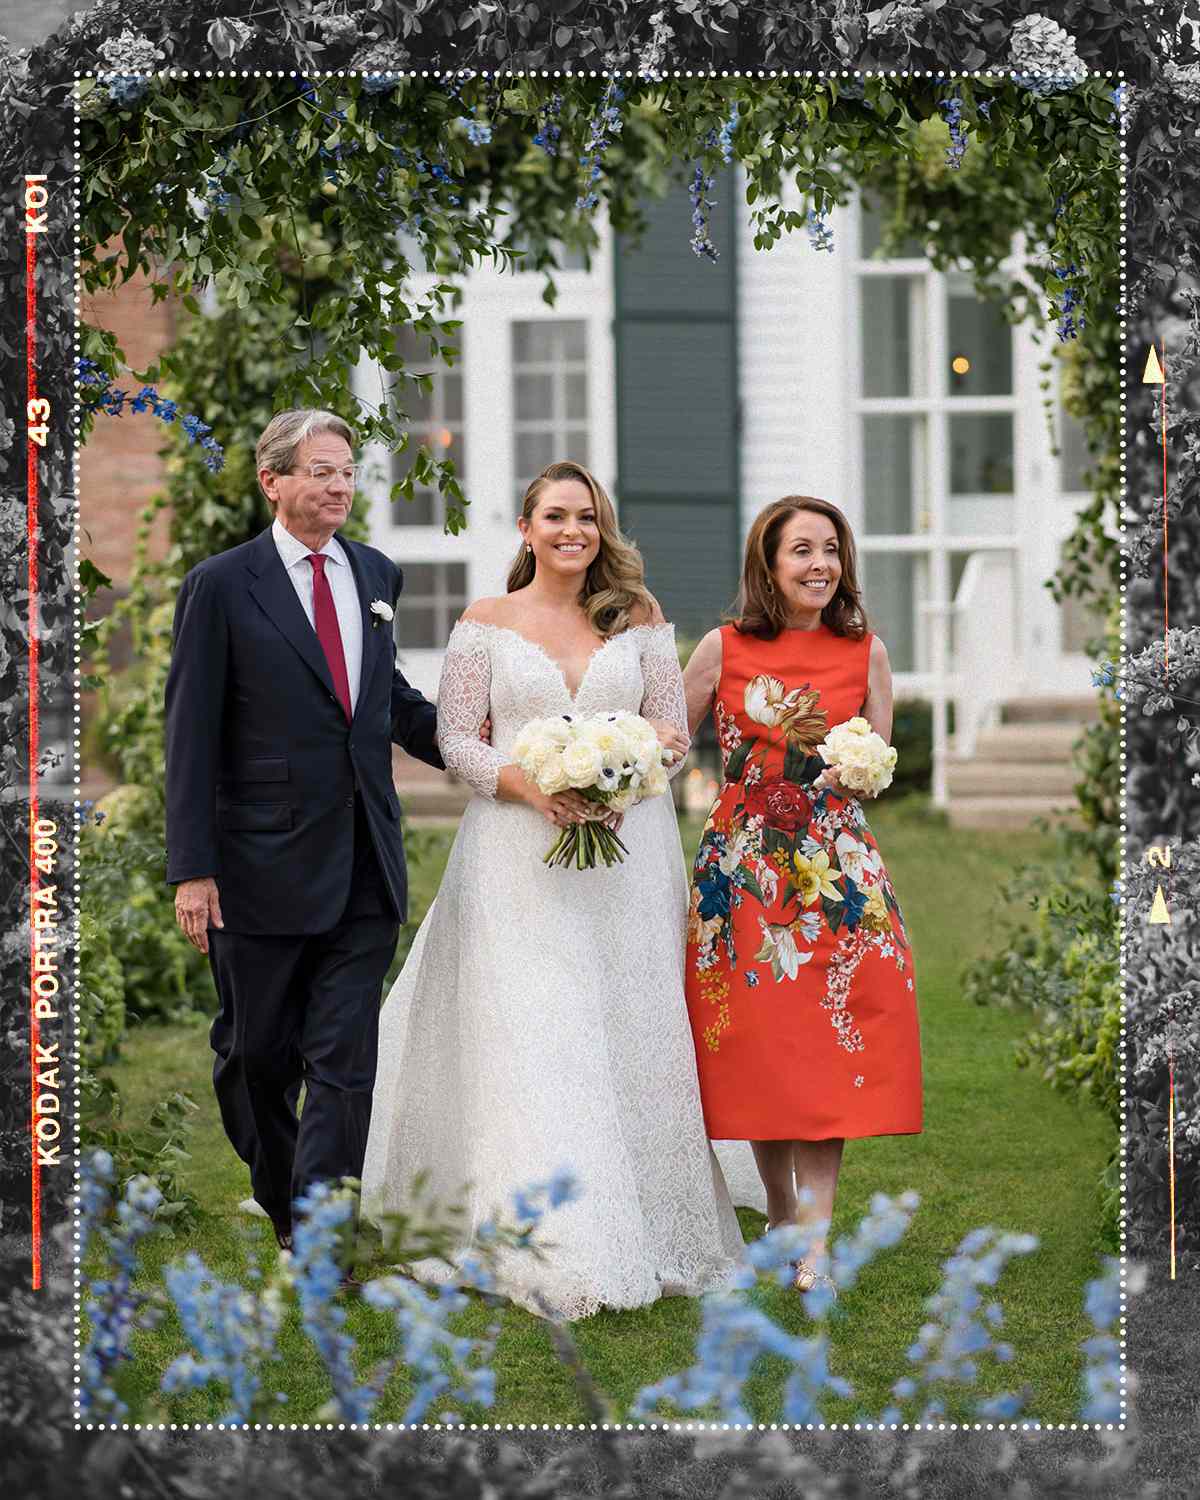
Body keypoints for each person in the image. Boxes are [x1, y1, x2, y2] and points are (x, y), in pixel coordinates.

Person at [361, 460, 744, 1320]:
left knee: (625, 1024)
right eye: (556, 517)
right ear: (527, 528)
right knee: (540, 1031)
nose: (573, 531)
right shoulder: (484, 623)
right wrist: (534, 787)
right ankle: (548, 1234)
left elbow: (674, 732)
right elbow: (457, 740)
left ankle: (641, 1214)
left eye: (588, 517)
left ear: (602, 530)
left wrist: (622, 783)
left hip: (628, 853)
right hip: (514, 855)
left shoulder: (638, 618)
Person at [165, 408, 475, 1269]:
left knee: (344, 1060)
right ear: (273, 481)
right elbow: (188, 734)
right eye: (321, 471)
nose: (339, 485)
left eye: (346, 472)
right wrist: (192, 871)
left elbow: (382, 698)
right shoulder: (223, 585)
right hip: (256, 863)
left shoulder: (375, 572)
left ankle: (323, 1230)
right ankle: (284, 1196)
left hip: (363, 861)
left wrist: (478, 747)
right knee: (253, 1057)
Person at [681, 496, 922, 1291]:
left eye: (832, 550)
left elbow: (876, 766)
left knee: (825, 1045)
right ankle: (780, 1212)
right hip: (744, 868)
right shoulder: (723, 648)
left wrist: (859, 770)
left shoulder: (867, 653)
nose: (821, 565)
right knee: (762, 1048)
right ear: (770, 563)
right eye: (802, 551)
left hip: (837, 871)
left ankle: (814, 1240)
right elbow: (670, 746)